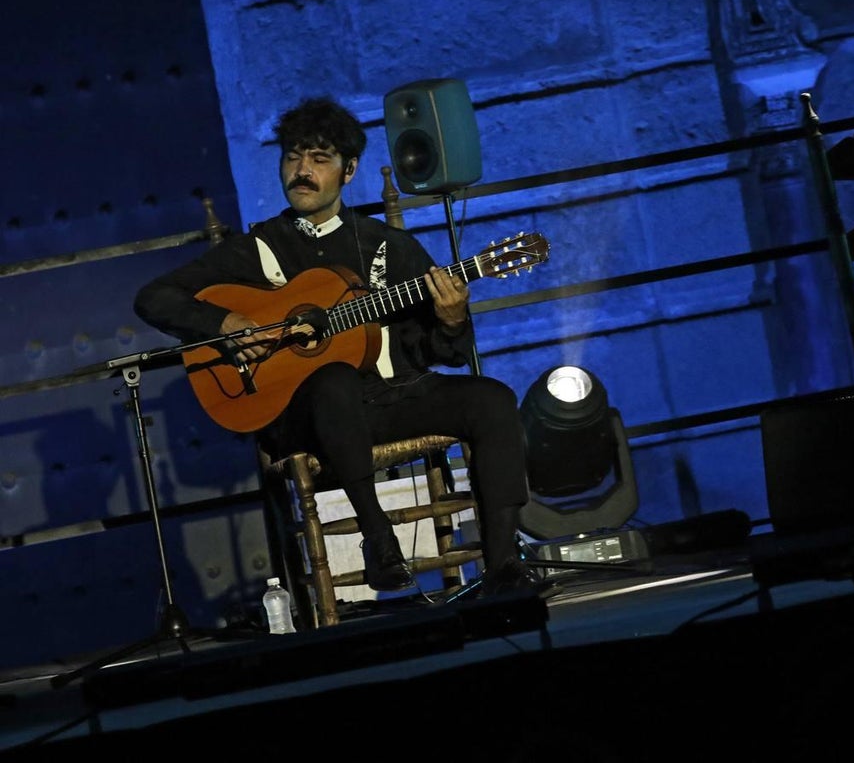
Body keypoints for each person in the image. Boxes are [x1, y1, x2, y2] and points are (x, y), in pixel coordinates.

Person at [134, 96, 546, 598]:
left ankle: (504, 565)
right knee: (333, 380)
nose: (301, 171)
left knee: (493, 399)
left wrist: (453, 318)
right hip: (306, 417)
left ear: (348, 171)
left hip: (392, 399)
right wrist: (226, 321)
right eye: (292, 157)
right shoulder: (256, 249)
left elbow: (446, 352)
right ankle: (379, 539)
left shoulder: (387, 247)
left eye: (319, 159)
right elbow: (153, 297)